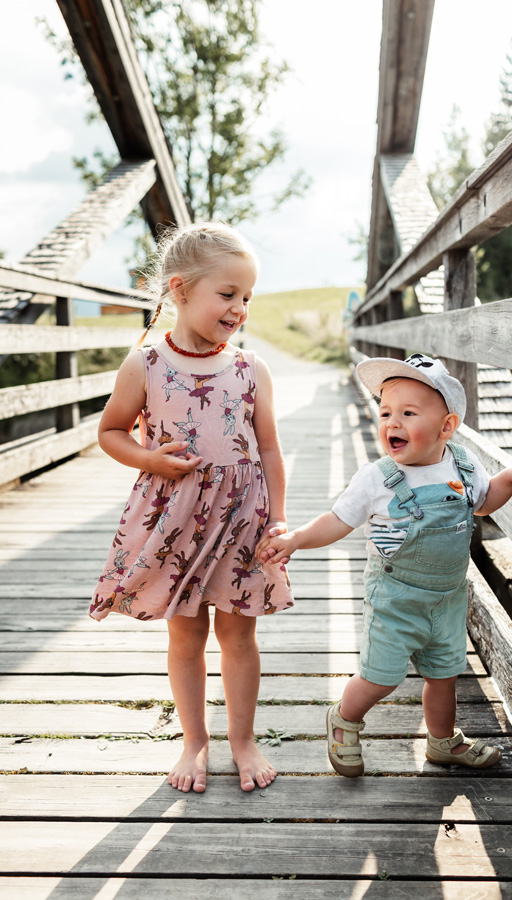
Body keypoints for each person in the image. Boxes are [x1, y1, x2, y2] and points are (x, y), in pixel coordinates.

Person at [257, 353, 512, 777]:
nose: (392, 423)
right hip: (394, 598)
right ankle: (345, 719)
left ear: (446, 426)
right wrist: (298, 539)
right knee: (381, 677)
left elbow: (485, 503)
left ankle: (442, 740)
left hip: (448, 597)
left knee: (445, 674)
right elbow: (338, 520)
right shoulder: (377, 477)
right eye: (386, 412)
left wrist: (511, 477)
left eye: (408, 413)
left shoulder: (463, 466)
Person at [89, 222, 293, 793]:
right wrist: (150, 460)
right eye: (227, 295)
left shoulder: (252, 369)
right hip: (176, 523)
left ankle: (243, 740)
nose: (240, 308)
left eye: (247, 297)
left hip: (241, 521)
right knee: (185, 636)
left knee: (239, 635)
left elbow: (270, 447)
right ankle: (194, 741)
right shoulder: (147, 366)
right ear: (180, 290)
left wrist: (278, 515)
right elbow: (111, 432)